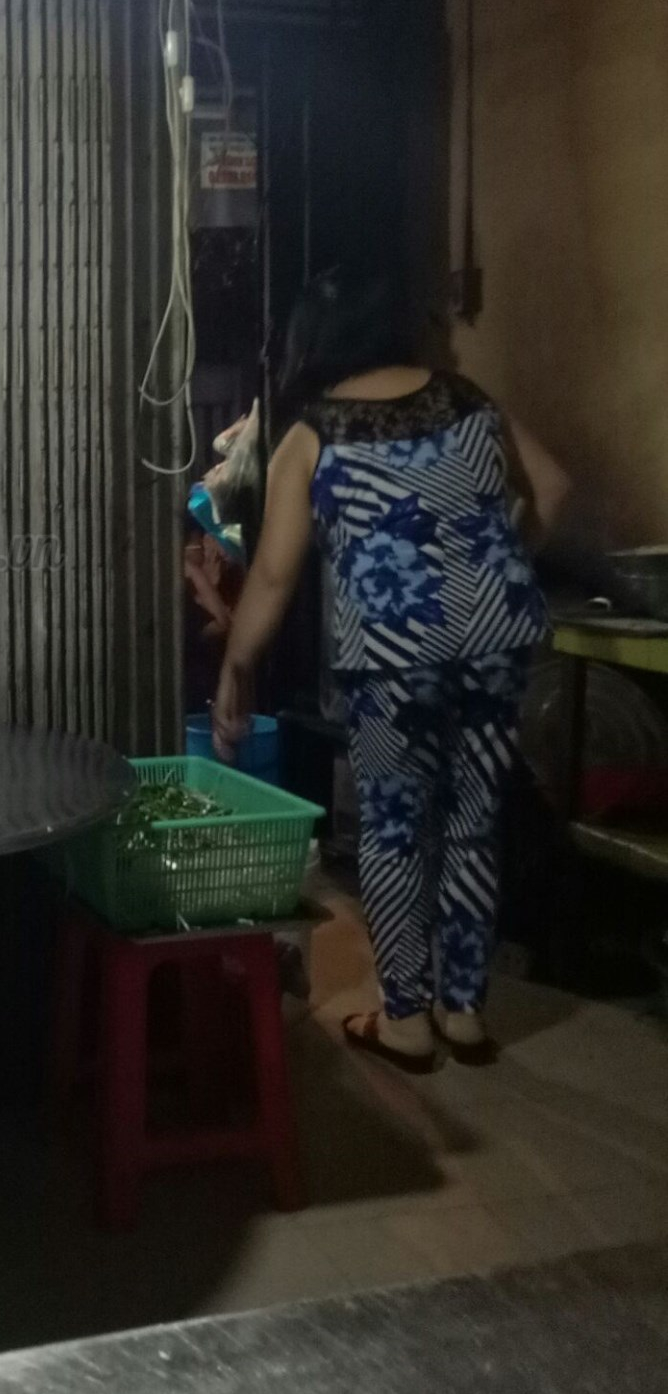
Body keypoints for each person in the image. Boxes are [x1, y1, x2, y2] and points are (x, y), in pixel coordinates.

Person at [211, 269, 569, 1072]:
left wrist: (238, 663)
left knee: (396, 826)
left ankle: (405, 1016)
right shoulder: (468, 401)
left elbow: (274, 575)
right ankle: (464, 1012)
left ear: (314, 343)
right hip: (496, 640)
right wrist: (499, 568)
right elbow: (552, 488)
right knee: (474, 818)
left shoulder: (314, 434)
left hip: (392, 654)